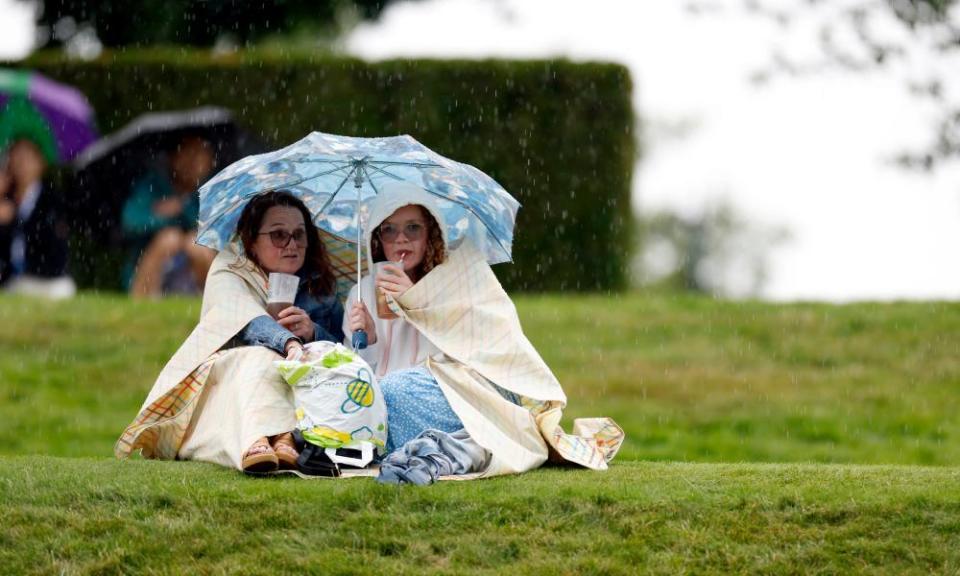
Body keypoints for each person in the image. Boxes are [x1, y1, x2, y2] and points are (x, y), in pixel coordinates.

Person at [342, 181, 623, 483]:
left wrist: (419, 302)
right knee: (364, 398)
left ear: (431, 234)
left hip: (455, 392)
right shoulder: (362, 294)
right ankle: (450, 447)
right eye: (389, 230)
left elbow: (484, 348)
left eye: (413, 228)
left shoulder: (457, 277)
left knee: (394, 392)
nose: (401, 240)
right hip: (386, 400)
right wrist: (368, 340)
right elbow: (357, 376)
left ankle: (460, 444)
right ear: (377, 239)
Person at [116, 190, 345, 473]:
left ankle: (284, 438)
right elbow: (244, 320)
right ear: (252, 240)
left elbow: (343, 354)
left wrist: (313, 333)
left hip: (305, 390)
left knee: (285, 363)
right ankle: (265, 438)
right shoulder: (228, 269)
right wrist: (288, 342)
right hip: (228, 382)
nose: (291, 244)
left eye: (299, 234)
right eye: (278, 235)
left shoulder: (321, 290)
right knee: (260, 356)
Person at [121, 135, 217, 298]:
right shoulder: (153, 185)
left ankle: (212, 303)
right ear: (174, 158)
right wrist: (160, 218)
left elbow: (222, 231)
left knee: (197, 244)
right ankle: (143, 299)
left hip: (195, 270)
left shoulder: (213, 190)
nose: (193, 163)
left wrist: (183, 209)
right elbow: (130, 222)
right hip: (154, 266)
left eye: (200, 156)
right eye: (188, 154)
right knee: (169, 238)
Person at [0, 138, 76, 299]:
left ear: (41, 163)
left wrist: (13, 222)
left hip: (48, 281)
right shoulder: (6, 200)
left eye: (28, 158)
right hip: (12, 281)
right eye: (17, 157)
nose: (22, 164)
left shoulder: (53, 199)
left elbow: (51, 242)